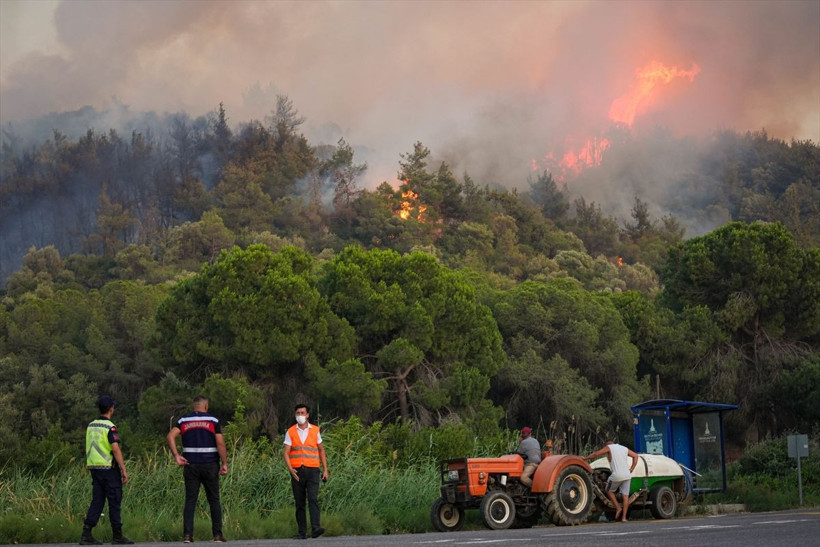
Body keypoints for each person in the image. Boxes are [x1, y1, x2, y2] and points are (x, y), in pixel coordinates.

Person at [167, 395, 228, 543]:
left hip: (190, 465)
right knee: (214, 500)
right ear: (206, 406)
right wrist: (224, 463)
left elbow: (170, 436)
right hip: (210, 464)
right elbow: (220, 443)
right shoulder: (213, 421)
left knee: (190, 500)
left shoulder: (183, 420)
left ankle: (188, 535)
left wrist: (176, 456)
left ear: (193, 406)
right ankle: (217, 535)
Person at [80, 396, 134, 545]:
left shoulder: (91, 425)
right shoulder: (110, 427)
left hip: (94, 468)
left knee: (97, 500)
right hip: (109, 469)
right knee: (114, 500)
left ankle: (86, 533)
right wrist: (123, 469)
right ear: (111, 408)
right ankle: (117, 535)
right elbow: (115, 449)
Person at [283, 404, 328, 540]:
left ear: (308, 415)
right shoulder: (290, 431)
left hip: (313, 470)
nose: (300, 415)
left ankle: (315, 527)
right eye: (298, 413)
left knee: (313, 498)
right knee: (299, 502)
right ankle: (302, 532)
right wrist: (290, 469)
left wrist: (325, 469)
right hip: (297, 471)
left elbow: (321, 450)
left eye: (302, 413)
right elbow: (286, 453)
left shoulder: (315, 430)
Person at [584, 440, 639, 522]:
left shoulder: (609, 447)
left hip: (616, 475)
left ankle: (618, 508)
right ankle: (624, 518)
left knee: (608, 490)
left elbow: (596, 454)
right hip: (627, 475)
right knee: (625, 496)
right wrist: (631, 468)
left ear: (608, 445)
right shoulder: (623, 448)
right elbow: (635, 456)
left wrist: (585, 458)